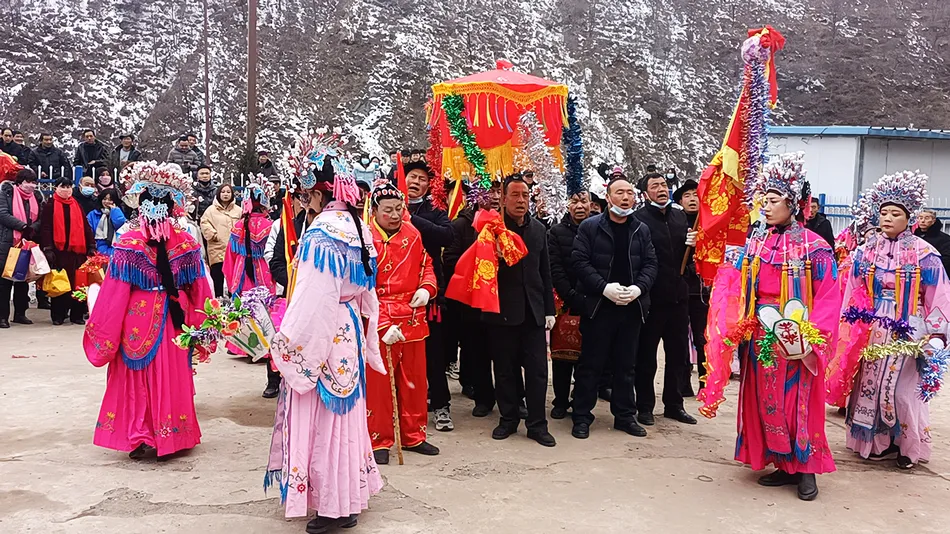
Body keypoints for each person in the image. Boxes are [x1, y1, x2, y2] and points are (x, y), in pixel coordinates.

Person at [699, 153, 840, 501]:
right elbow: (735, 284)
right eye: (764, 200)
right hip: (759, 331)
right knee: (767, 400)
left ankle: (805, 467)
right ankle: (780, 460)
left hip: (796, 334)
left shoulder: (815, 247)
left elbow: (828, 296)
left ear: (793, 204)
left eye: (773, 201)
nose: (766, 207)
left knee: (798, 399)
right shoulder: (756, 242)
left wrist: (812, 337)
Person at [266, 139, 383, 532]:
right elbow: (367, 291)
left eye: (305, 194)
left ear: (318, 191)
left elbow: (314, 296)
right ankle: (347, 496)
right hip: (348, 326)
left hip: (324, 329)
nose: (303, 201)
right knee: (345, 417)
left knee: (320, 415)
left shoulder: (320, 232)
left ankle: (331, 505)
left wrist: (287, 341)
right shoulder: (361, 228)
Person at [83, 161, 212, 460]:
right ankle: (171, 436)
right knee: (171, 375)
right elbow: (200, 292)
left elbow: (114, 293)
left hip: (136, 319)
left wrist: (104, 332)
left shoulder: (129, 242)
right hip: (173, 319)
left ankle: (141, 434)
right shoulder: (187, 242)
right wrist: (202, 325)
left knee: (136, 378)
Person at [830, 171, 950, 471]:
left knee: (901, 390)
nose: (887, 218)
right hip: (871, 326)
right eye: (883, 213)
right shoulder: (866, 250)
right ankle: (876, 443)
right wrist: (847, 323)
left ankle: (907, 446)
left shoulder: (925, 254)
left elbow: (938, 295)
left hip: (909, 326)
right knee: (868, 385)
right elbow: (852, 289)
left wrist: (936, 334)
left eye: (895, 213)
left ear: (909, 218)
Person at [571, 176, 657, 439]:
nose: (626, 197)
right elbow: (580, 261)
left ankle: (624, 416)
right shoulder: (590, 227)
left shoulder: (640, 229)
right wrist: (603, 288)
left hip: (631, 308)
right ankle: (582, 416)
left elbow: (651, 264)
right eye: (620, 193)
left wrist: (638, 289)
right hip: (599, 307)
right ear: (608, 197)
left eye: (630, 193)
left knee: (626, 365)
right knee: (591, 364)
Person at [366, 181, 441, 464]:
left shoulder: (413, 233)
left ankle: (414, 435)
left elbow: (427, 264)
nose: (395, 215)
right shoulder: (366, 240)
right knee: (380, 385)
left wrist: (427, 288)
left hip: (412, 316)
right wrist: (383, 324)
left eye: (399, 209)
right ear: (375, 211)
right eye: (388, 210)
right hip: (380, 319)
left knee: (414, 381)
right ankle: (379, 439)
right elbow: (363, 288)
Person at [484, 174, 557, 447]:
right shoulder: (491, 229)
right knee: (505, 370)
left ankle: (538, 425)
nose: (521, 201)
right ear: (503, 199)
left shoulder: (538, 229)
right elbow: (481, 270)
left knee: (538, 371)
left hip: (534, 312)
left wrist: (549, 309)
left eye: (525, 196)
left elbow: (545, 272)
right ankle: (508, 419)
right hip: (502, 311)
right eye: (515, 195)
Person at [443, 181, 515, 417]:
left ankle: (514, 398)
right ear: (477, 195)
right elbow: (450, 260)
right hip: (474, 303)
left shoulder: (510, 223)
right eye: (489, 191)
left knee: (507, 354)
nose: (495, 196)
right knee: (477, 351)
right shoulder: (462, 225)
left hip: (506, 300)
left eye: (498, 191)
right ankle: (484, 397)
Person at [633, 171, 698, 426]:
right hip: (652, 299)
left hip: (679, 297)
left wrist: (692, 245)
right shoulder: (639, 220)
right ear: (645, 192)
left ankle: (674, 404)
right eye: (655, 186)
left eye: (664, 185)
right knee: (647, 356)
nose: (661, 189)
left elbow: (689, 257)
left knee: (678, 354)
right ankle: (645, 406)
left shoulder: (680, 216)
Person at [404, 160, 455, 432]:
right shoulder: (383, 205)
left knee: (433, 351)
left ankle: (441, 404)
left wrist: (410, 218)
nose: (416, 182)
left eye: (422, 179)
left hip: (429, 290)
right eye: (412, 176)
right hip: (395, 292)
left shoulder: (435, 209)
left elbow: (447, 236)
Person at [264, 186, 321, 399]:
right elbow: (276, 261)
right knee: (282, 337)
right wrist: (296, 282)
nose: (304, 201)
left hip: (320, 299)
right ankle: (275, 380)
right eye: (300, 197)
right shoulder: (288, 226)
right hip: (292, 294)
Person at [547, 191, 590, 419]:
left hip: (593, 300)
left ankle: (581, 401)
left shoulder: (598, 230)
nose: (579, 206)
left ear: (591, 205)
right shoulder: (556, 232)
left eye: (583, 201)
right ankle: (560, 401)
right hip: (565, 301)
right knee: (562, 356)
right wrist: (571, 295)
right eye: (574, 201)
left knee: (587, 358)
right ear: (567, 205)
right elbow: (554, 267)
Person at [39, 177, 95, 325]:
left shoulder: (76, 204)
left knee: (79, 284)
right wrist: (48, 248)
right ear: (56, 188)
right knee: (61, 283)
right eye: (62, 186)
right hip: (59, 252)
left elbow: (86, 227)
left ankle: (77, 314)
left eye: (69, 186)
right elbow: (45, 228)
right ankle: (58, 314)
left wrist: (91, 245)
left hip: (78, 252)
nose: (66, 189)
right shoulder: (50, 205)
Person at [673, 179, 709, 392]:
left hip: (701, 290)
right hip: (679, 287)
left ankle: (705, 381)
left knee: (701, 337)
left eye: (695, 195)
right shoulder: (676, 222)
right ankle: (682, 383)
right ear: (680, 200)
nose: (692, 199)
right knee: (679, 337)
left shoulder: (707, 224)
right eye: (687, 196)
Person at [0, 168, 44, 328]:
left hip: (27, 243)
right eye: (28, 182)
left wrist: (33, 228)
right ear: (19, 182)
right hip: (8, 242)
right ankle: (2, 316)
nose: (31, 186)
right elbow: (3, 214)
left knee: (22, 279)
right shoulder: (7, 193)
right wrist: (23, 226)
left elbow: (41, 217)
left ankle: (20, 313)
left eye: (34, 182)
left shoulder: (37, 197)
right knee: (4, 281)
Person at [223, 177, 275, 297]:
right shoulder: (271, 226)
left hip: (242, 272)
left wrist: (231, 282)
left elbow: (229, 260)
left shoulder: (238, 226)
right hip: (264, 272)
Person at [200, 184, 241, 298]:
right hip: (217, 248)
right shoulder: (211, 210)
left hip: (234, 249)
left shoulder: (238, 210)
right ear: (218, 194)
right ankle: (218, 301)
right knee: (217, 277)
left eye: (228, 192)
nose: (226, 194)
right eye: (223, 192)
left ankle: (234, 300)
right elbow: (204, 223)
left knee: (233, 276)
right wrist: (213, 235)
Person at [86, 188, 127, 256]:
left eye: (110, 200)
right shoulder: (93, 214)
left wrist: (115, 211)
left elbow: (120, 226)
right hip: (98, 248)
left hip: (116, 248)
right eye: (104, 199)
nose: (107, 202)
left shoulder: (118, 212)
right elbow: (88, 231)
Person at [914, 208, 950, 276]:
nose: (923, 221)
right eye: (920, 218)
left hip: (934, 274)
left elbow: (946, 259)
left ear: (933, 221)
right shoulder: (914, 236)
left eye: (926, 218)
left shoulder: (944, 239)